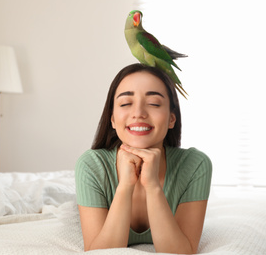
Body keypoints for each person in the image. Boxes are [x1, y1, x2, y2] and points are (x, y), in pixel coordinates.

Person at [75, 63, 212, 254]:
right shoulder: (92, 165)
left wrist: (153, 186)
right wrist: (124, 186)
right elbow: (99, 252)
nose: (138, 113)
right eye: (125, 104)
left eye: (154, 103)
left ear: (172, 119)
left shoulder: (195, 164)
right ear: (113, 119)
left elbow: (181, 252)